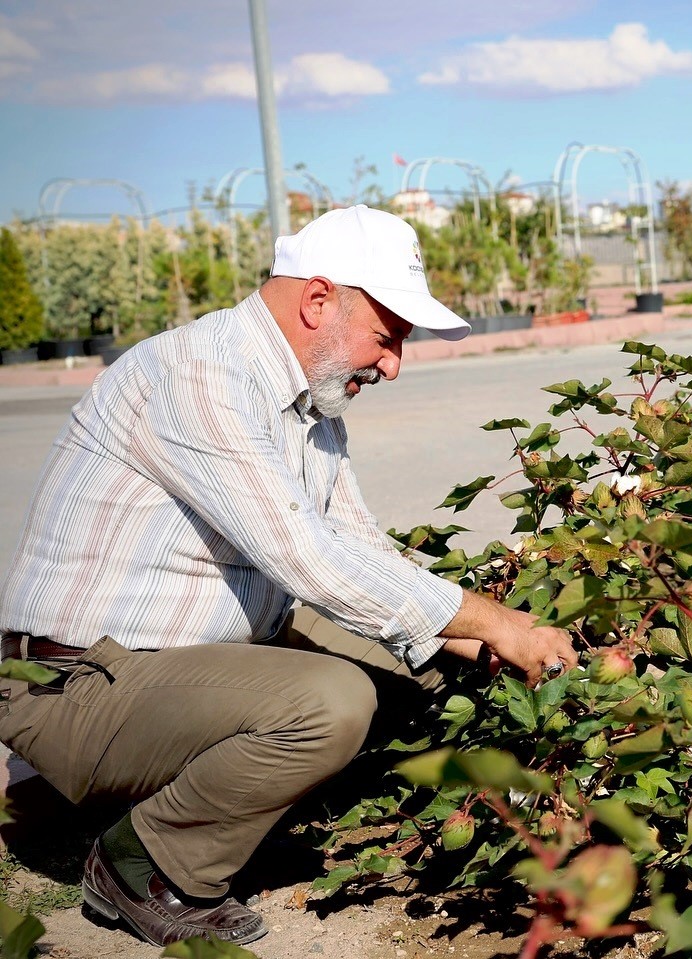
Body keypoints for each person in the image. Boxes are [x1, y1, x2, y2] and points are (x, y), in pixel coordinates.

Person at [0, 205, 578, 947]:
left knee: (412, 681)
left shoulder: (310, 405)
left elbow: (363, 547)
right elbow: (309, 558)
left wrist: (496, 640)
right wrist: (493, 620)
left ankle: (228, 806)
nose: (394, 363)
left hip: (175, 665)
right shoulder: (200, 375)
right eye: (388, 335)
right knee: (332, 703)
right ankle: (146, 864)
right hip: (75, 684)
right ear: (317, 301)